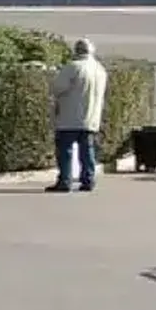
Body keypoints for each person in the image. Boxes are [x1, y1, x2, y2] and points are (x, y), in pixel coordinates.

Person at [47, 37, 108, 193]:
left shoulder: (73, 67)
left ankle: (65, 181)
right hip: (91, 117)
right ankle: (88, 180)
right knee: (87, 150)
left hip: (70, 116)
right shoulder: (100, 69)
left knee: (65, 150)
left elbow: (58, 88)